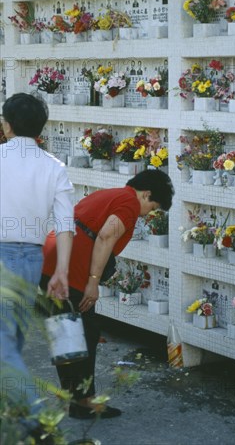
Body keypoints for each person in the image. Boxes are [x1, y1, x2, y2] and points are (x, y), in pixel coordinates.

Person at [40, 170, 174, 420]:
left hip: (54, 254)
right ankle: (83, 401)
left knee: (67, 330)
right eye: (153, 206)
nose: (149, 214)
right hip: (71, 265)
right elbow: (105, 236)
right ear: (146, 194)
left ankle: (77, 399)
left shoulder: (111, 194)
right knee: (85, 331)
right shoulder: (129, 204)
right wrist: (92, 282)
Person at [0, 94, 74, 434]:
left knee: (4, 344)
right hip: (32, 258)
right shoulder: (54, 167)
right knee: (11, 340)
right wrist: (60, 271)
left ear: (7, 124)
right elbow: (64, 225)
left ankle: (36, 420)